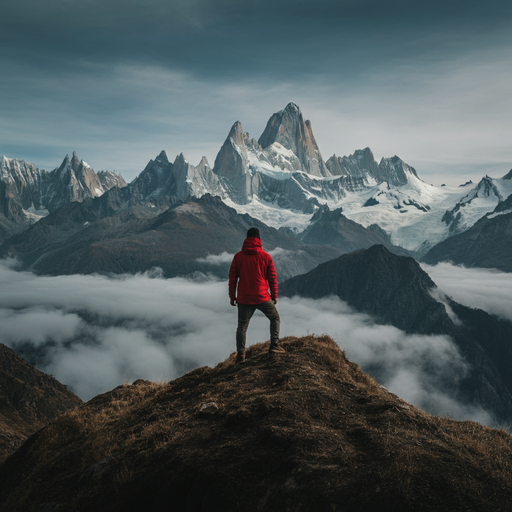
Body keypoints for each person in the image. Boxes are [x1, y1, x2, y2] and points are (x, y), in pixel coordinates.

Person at [229, 227, 284, 363]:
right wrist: (274, 295)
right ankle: (274, 345)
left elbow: (233, 278)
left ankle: (241, 355)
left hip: (244, 297)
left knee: (242, 326)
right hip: (262, 296)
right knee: (275, 318)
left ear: (246, 239)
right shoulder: (265, 257)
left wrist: (232, 296)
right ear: (259, 239)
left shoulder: (238, 257)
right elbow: (272, 278)